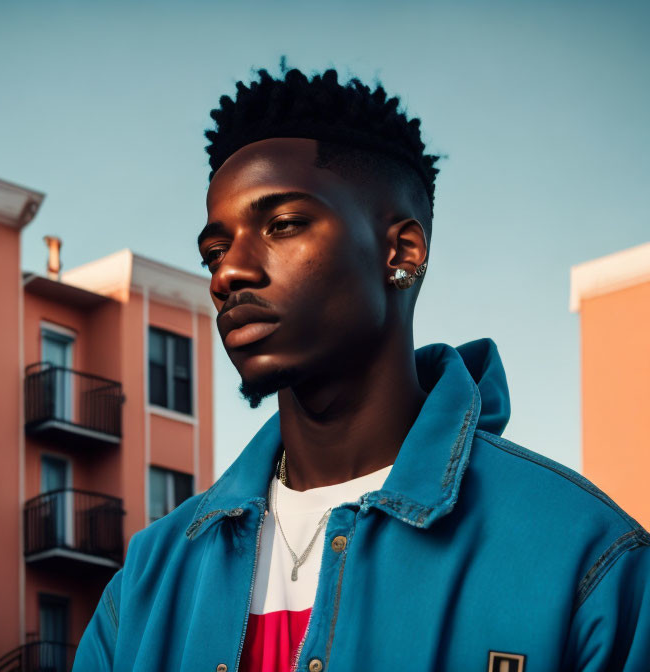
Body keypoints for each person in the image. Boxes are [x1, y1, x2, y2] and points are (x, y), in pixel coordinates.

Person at [72, 66, 650, 672]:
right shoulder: (143, 588)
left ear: (401, 252)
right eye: (215, 251)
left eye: (282, 225)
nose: (228, 273)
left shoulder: (586, 558)